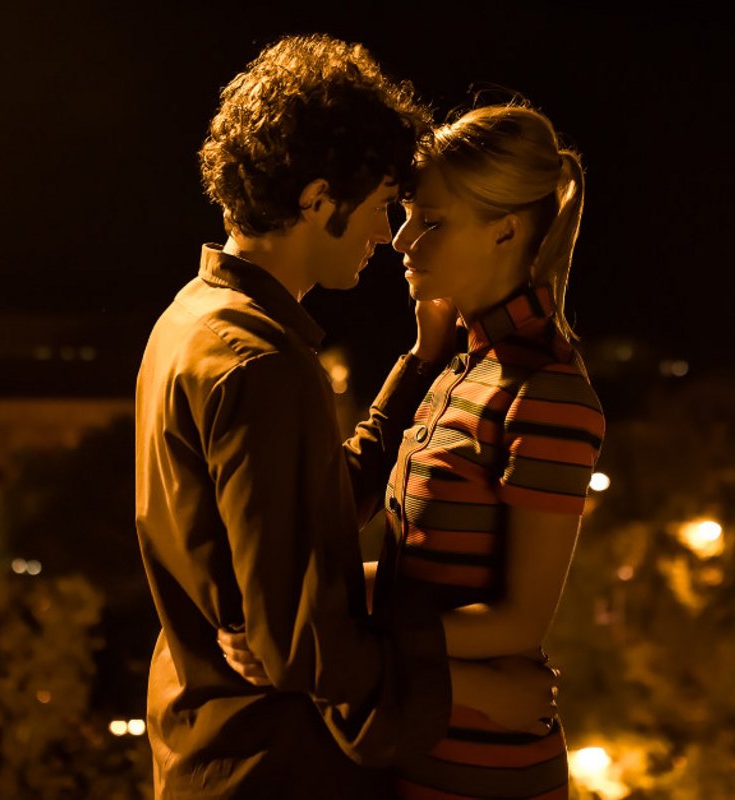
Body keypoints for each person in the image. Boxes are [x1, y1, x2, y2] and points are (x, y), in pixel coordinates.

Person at [135, 36, 557, 799]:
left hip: (207, 744)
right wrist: (475, 693)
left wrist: (420, 366)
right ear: (318, 200)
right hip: (270, 764)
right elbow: (301, 645)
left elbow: (315, 510)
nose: (387, 236)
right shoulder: (262, 364)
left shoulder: (191, 320)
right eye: (381, 205)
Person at [223, 101, 604, 800]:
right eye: (404, 215)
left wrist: (322, 643)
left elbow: (520, 620)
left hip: (485, 770)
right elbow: (413, 576)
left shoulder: (545, 391)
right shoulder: (460, 369)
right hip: (411, 746)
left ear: (506, 230)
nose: (401, 240)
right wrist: (288, 619)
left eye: (430, 221)